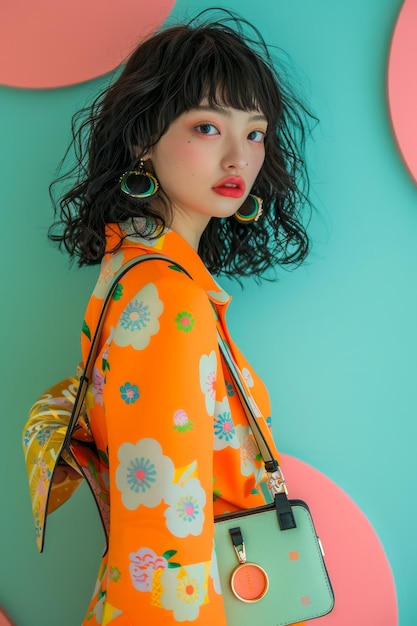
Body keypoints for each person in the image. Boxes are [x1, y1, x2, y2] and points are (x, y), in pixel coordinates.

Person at [23, 10, 314, 625]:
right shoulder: (167, 296)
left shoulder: (137, 270)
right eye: (208, 127)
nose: (240, 156)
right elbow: (165, 530)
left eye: (256, 133)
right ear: (142, 138)